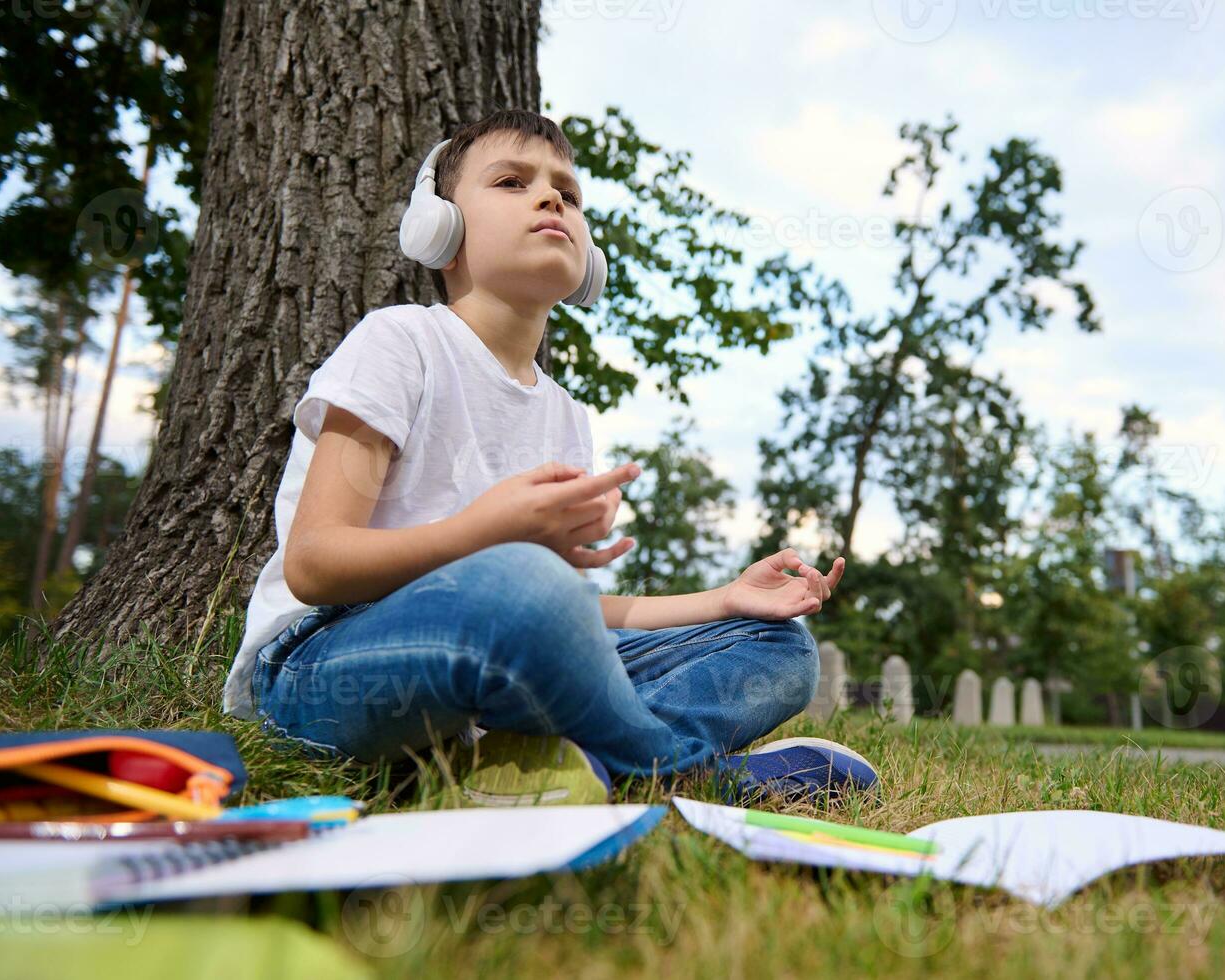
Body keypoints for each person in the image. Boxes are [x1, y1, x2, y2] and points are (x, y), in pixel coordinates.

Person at [220, 109, 876, 805]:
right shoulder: (400, 342)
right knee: (522, 583)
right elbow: (314, 563)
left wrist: (718, 601)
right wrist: (486, 534)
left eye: (567, 191)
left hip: (495, 658)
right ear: (439, 230)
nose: (550, 198)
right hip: (323, 665)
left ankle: (522, 763)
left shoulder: (565, 414)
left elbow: (563, 614)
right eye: (511, 181)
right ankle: (682, 775)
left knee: (778, 649)